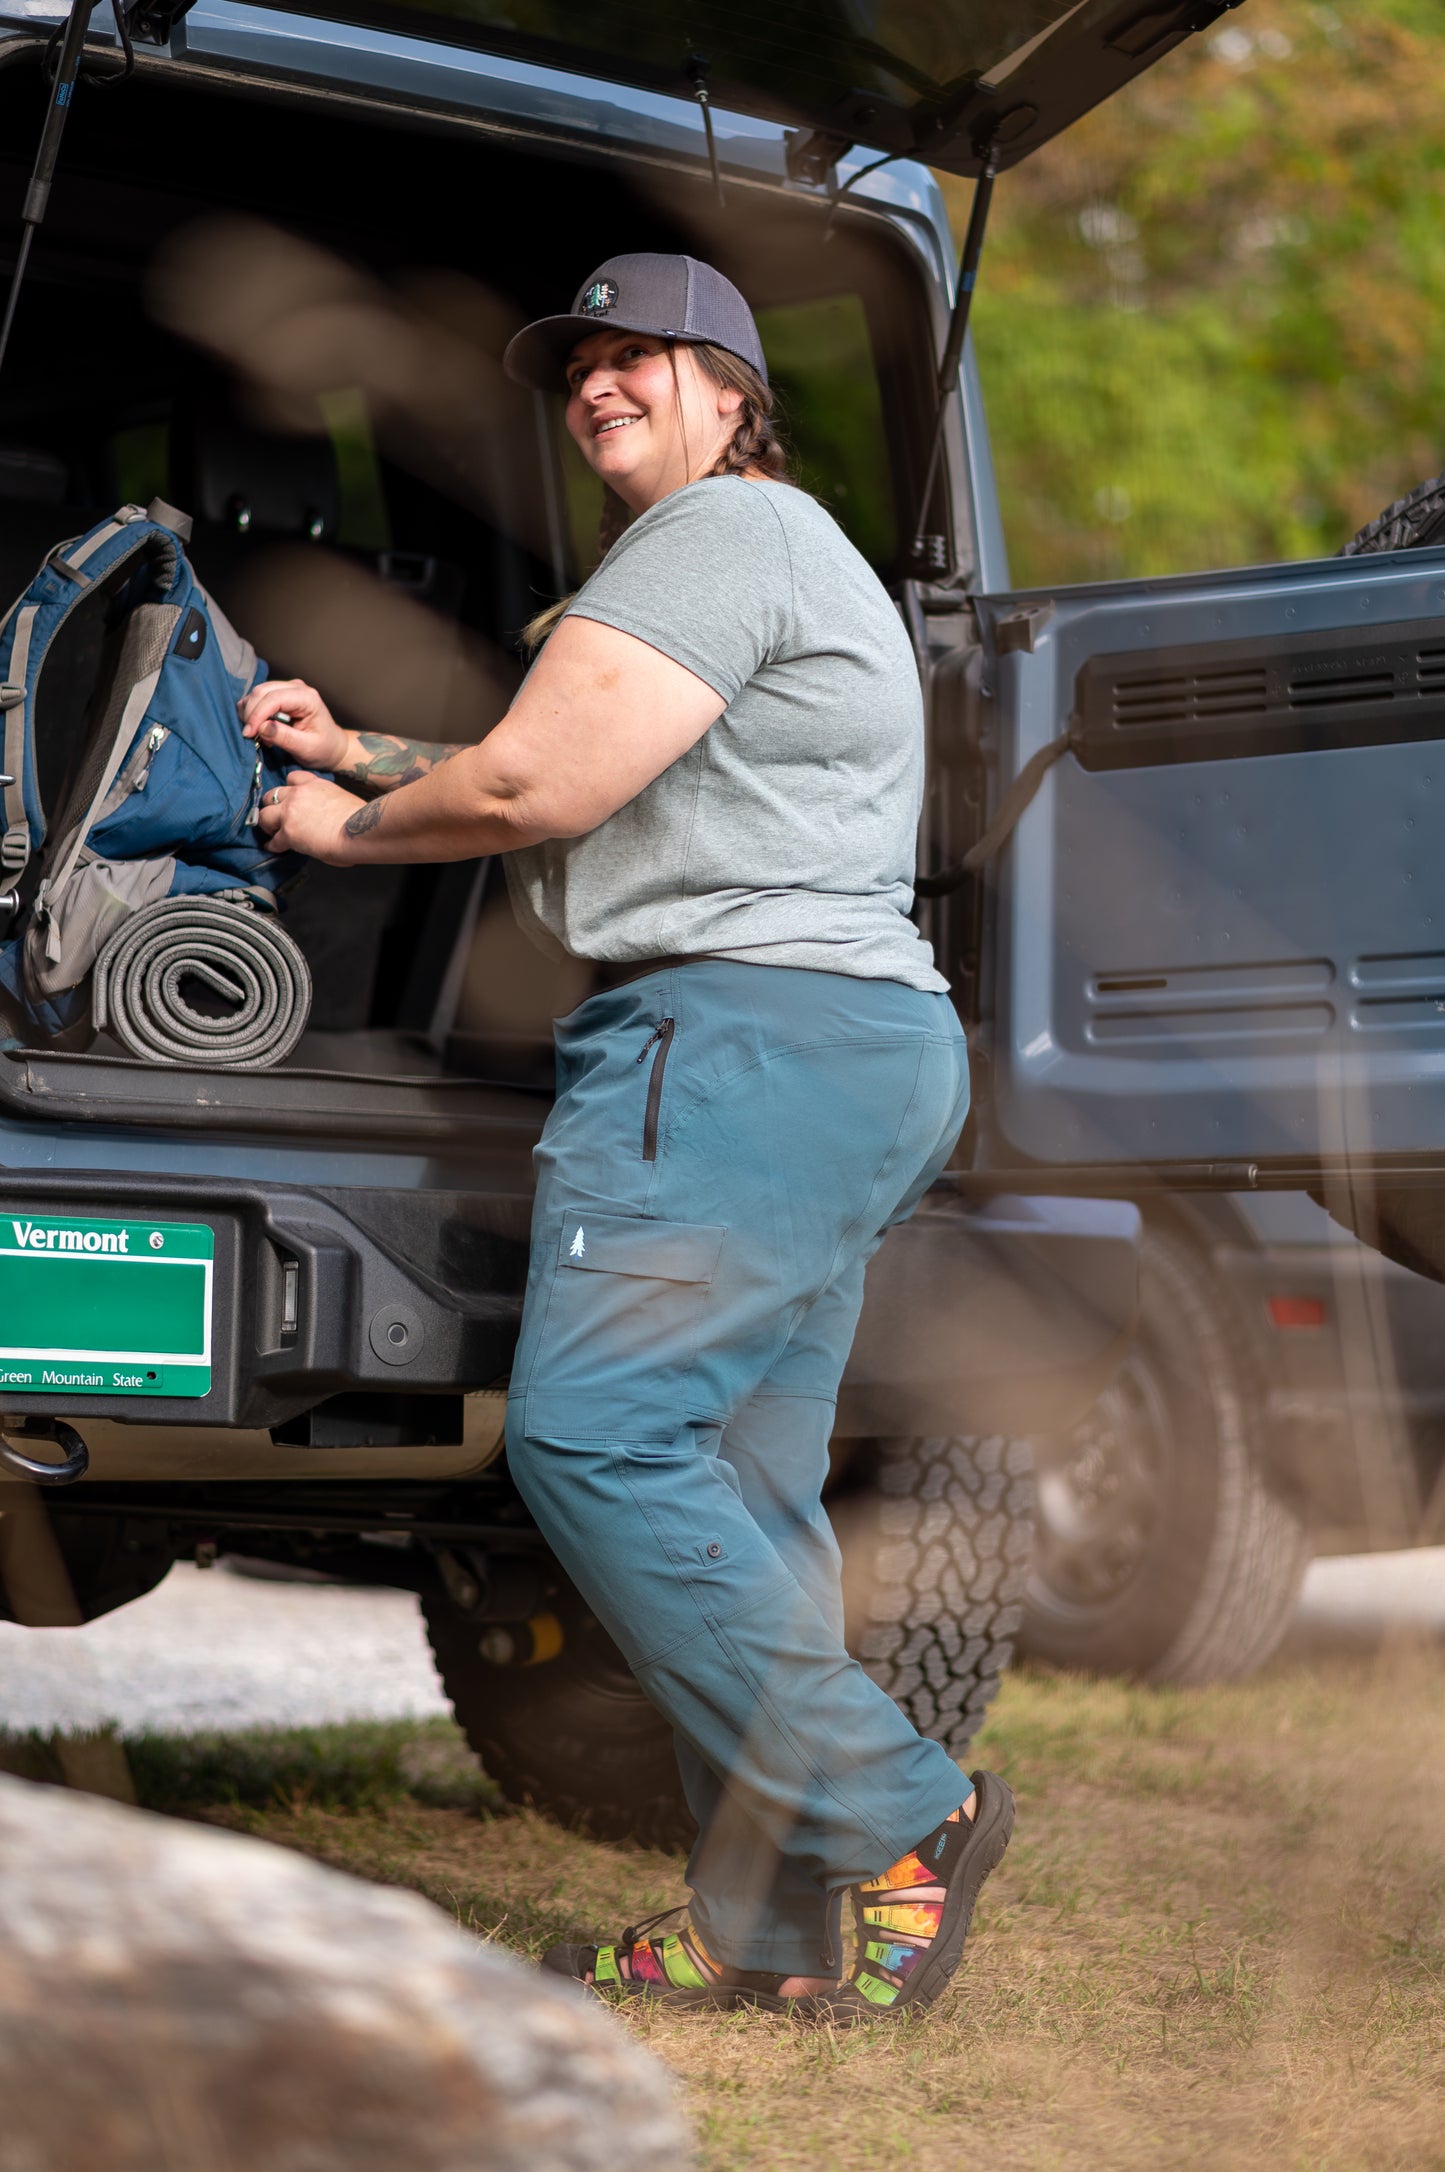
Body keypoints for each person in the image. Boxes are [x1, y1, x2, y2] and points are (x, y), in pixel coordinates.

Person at [243, 252, 1013, 2020]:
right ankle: (764, 1932)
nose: (599, 381)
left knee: (594, 1442)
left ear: (732, 394)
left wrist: (347, 834)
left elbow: (536, 785)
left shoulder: (715, 534)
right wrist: (357, 747)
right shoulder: (755, 553)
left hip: (734, 1044)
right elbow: (577, 756)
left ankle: (903, 1810)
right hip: (839, 1048)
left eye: (641, 354)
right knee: (737, 1488)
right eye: (580, 361)